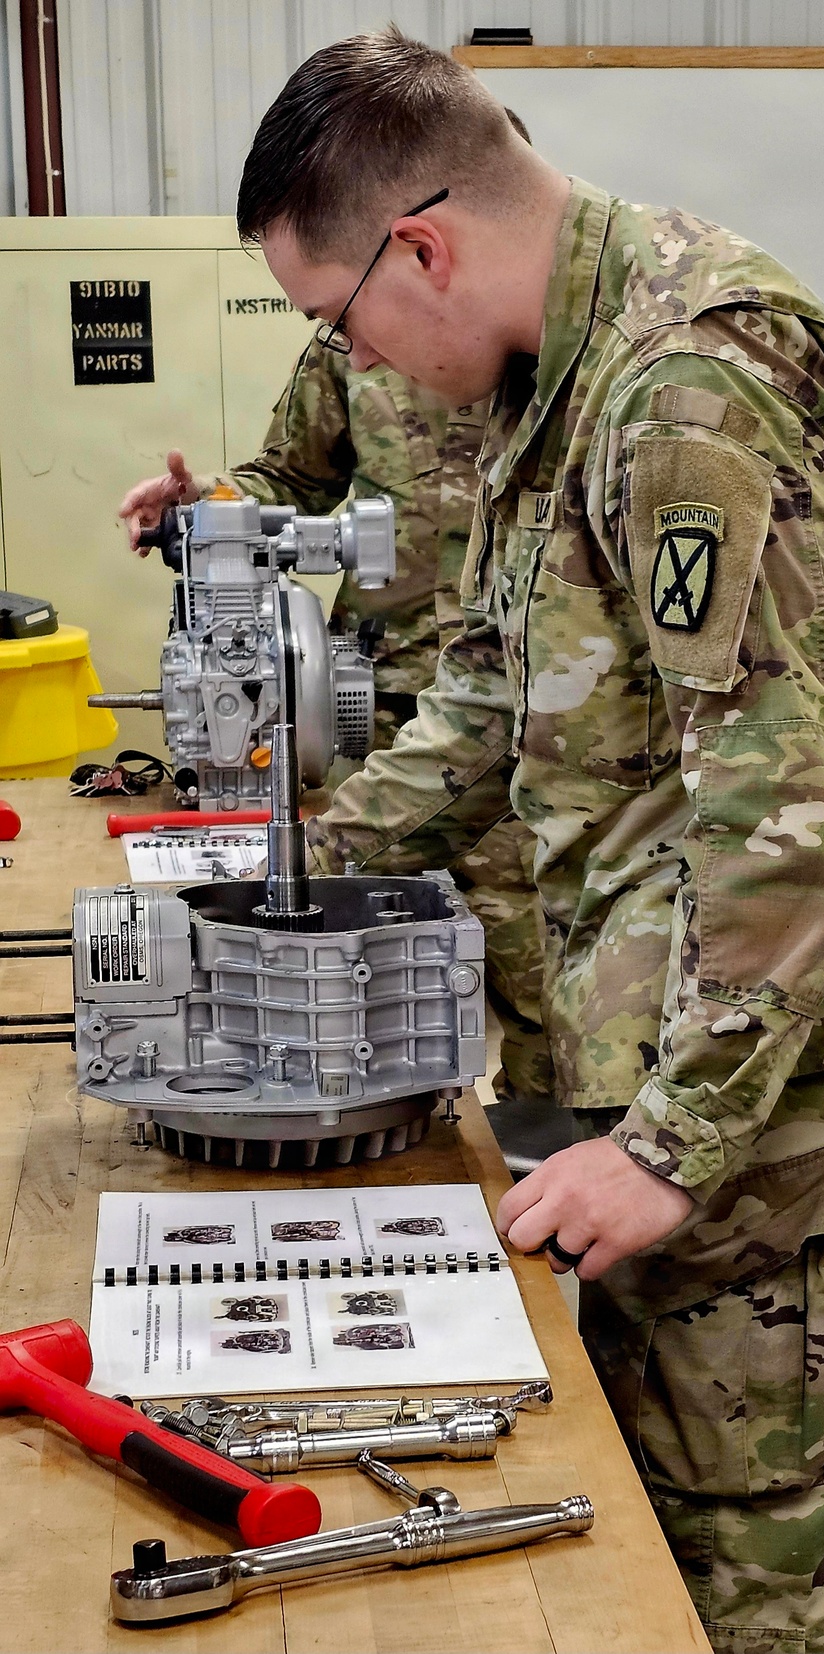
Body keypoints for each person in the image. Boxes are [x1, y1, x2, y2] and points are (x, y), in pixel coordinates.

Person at [232, 27, 824, 1654]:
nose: (352, 365)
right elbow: (496, 696)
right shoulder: (555, 378)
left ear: (417, 245)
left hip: (799, 1040)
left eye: (335, 318)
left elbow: (794, 812)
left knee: (742, 1468)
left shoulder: (682, 380)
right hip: (774, 1011)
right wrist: (281, 863)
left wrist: (668, 1144)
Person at [117, 124, 553, 1115]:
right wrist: (206, 511)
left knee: (549, 1007)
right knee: (361, 979)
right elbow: (288, 481)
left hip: (539, 738)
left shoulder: (569, 368)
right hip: (383, 720)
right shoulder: (354, 345)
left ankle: (532, 1205)